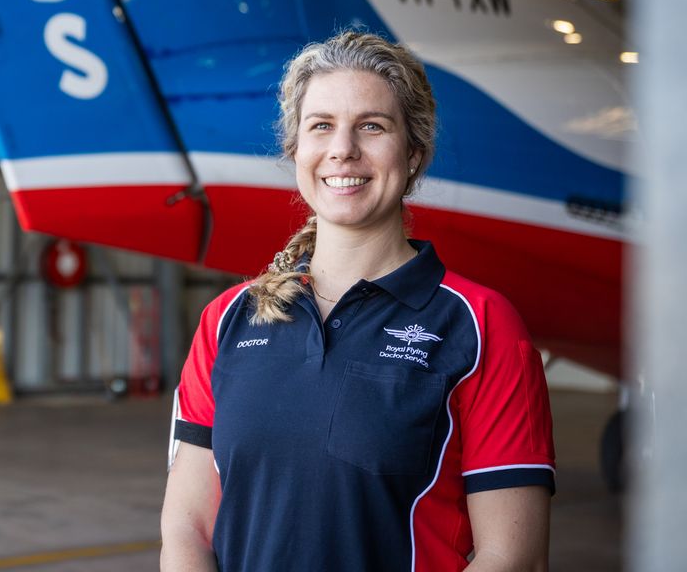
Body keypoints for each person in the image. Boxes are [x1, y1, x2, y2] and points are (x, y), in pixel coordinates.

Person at [160, 31, 555, 571]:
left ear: (413, 153)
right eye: (321, 126)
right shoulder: (228, 320)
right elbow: (187, 529)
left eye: (372, 126)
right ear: (295, 149)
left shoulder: (481, 325)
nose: (342, 149)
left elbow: (514, 557)